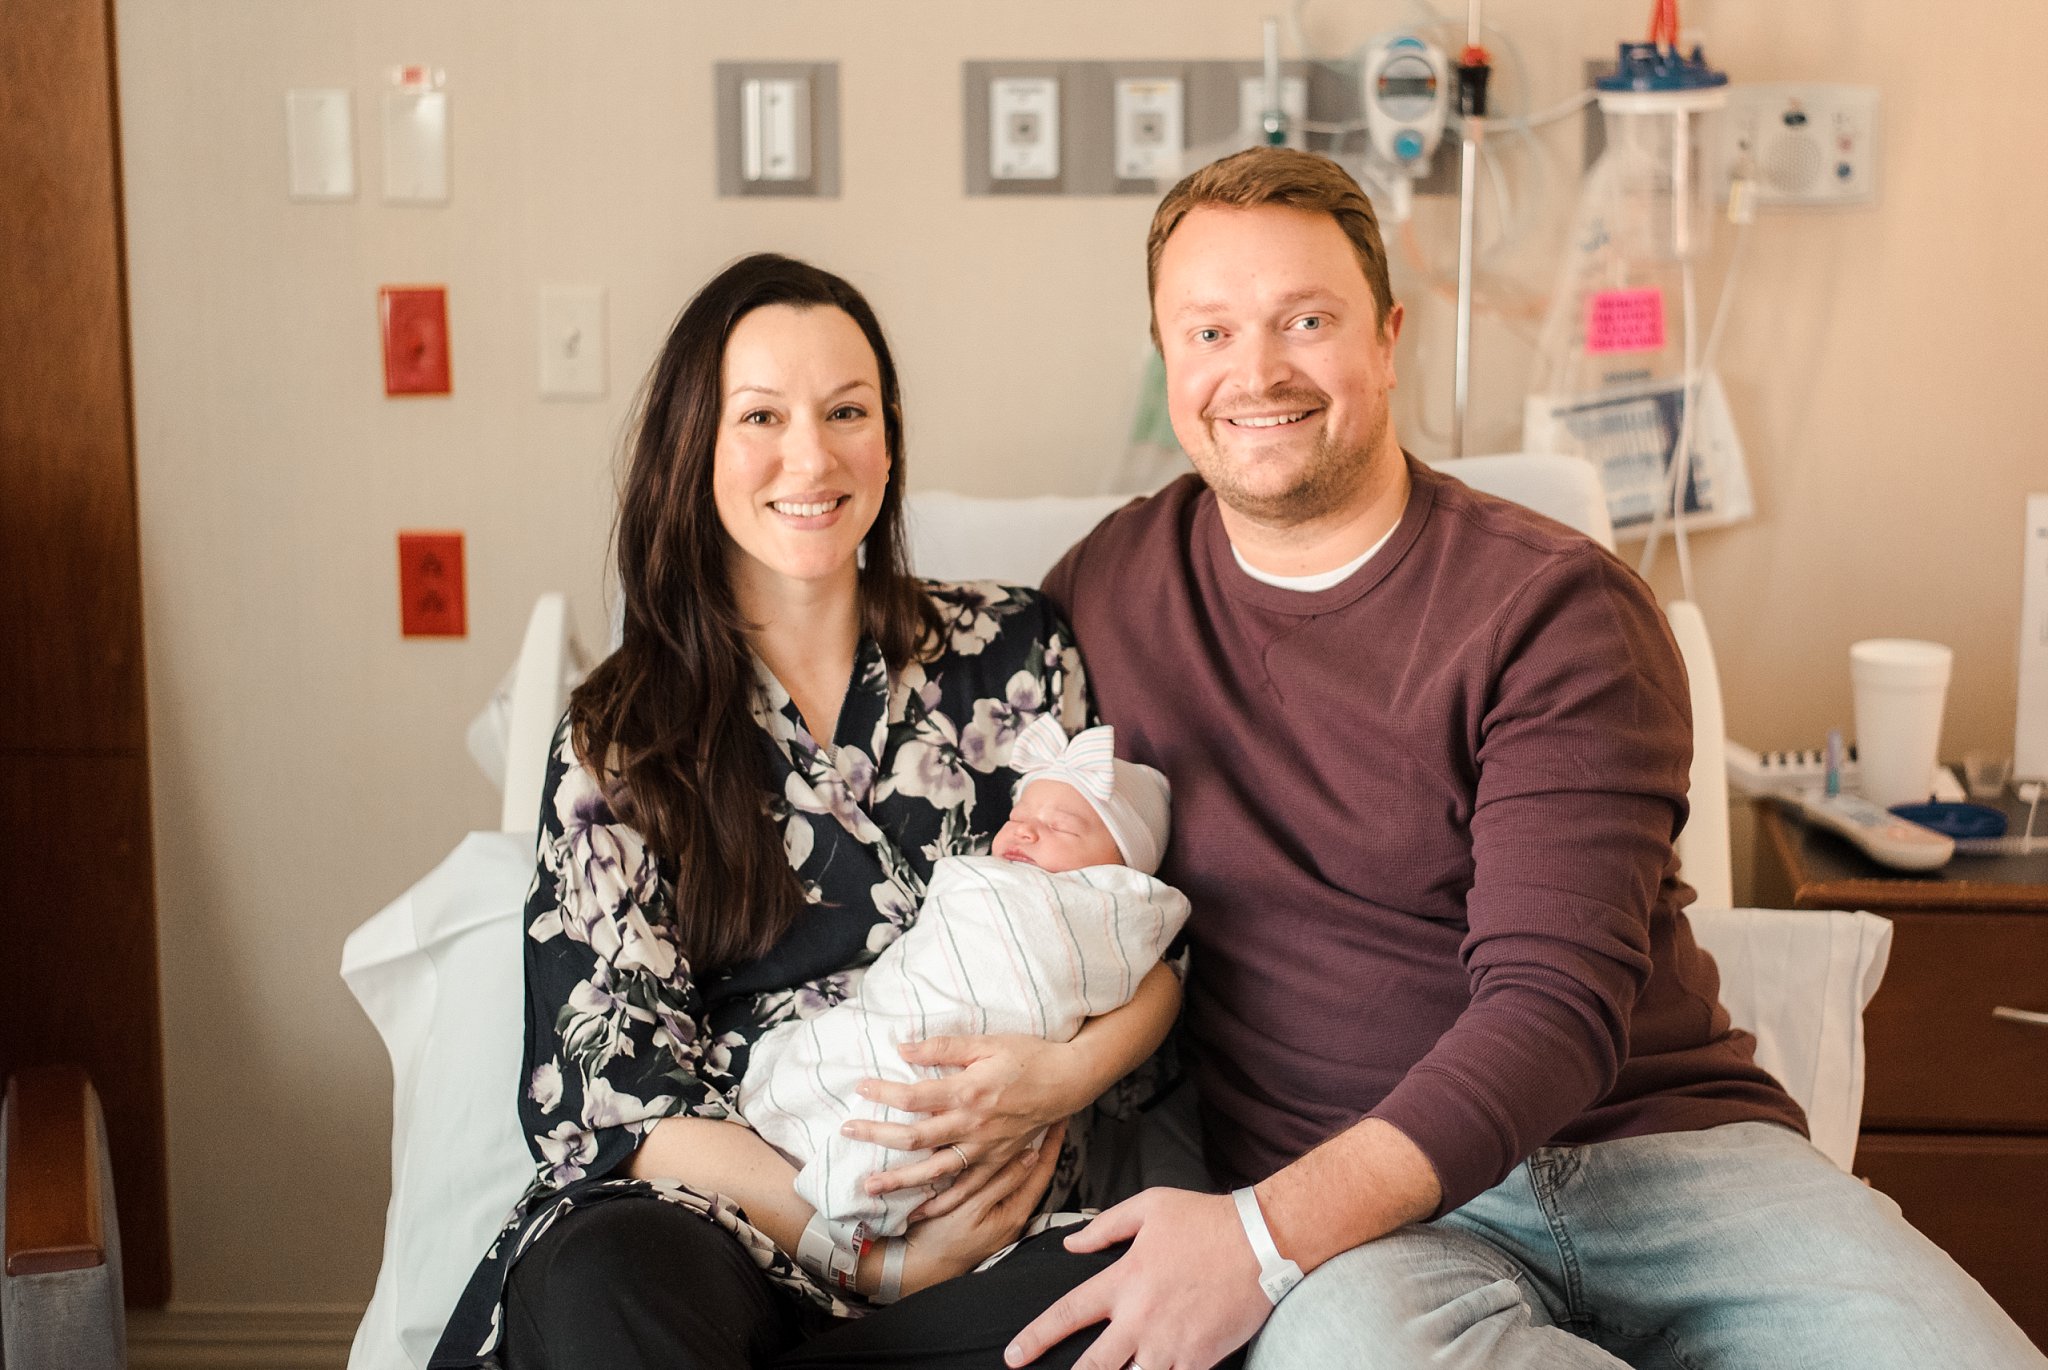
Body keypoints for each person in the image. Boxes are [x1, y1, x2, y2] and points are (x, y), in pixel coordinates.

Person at [1009, 146, 2047, 1370]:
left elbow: (1550, 1013)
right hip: (1370, 1230)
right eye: (1209, 332)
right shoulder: (1109, 592)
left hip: (1662, 1160)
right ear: (1167, 362)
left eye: (1305, 318)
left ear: (1388, 337)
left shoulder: (1553, 610)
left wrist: (1256, 1237)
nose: (1258, 371)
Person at [428, 253, 1182, 1370]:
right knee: (605, 1280)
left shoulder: (1016, 655)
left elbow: (1140, 936)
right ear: (696, 449)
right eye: (762, 416)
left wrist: (1061, 1079)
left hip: (987, 1242)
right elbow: (609, 1093)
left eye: (845, 412)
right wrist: (860, 1256)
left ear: (887, 439)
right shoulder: (625, 729)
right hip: (718, 1227)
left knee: (1158, 1299)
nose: (811, 455)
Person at [741, 715, 1187, 1243]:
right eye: (1019, 815)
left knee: (909, 1106)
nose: (1023, 829)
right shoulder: (983, 882)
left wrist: (1072, 1070)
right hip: (743, 1163)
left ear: (1122, 874)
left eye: (1064, 826)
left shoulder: (1110, 912)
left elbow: (1156, 975)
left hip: (1005, 1162)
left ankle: (853, 1182)